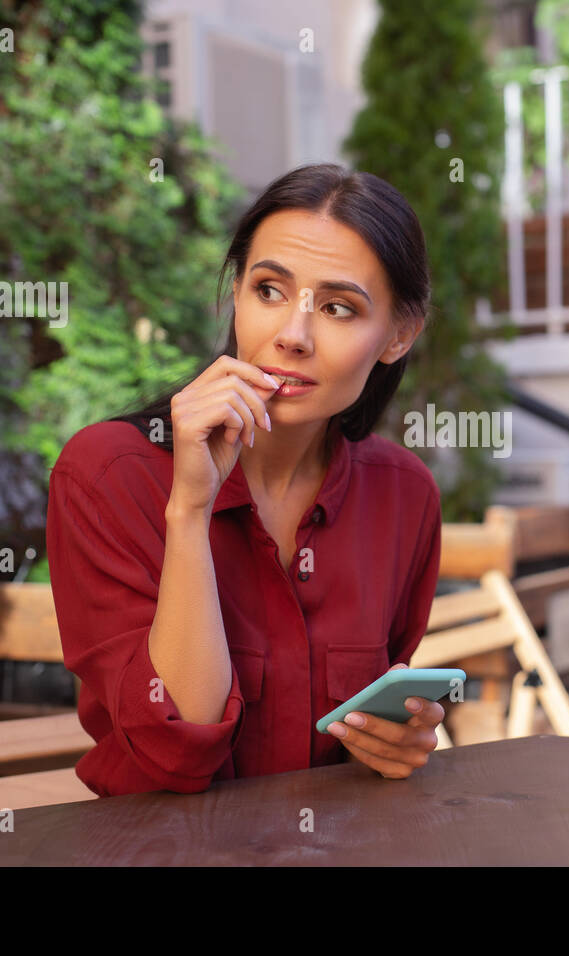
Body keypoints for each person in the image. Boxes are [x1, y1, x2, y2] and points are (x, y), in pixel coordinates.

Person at [46, 163, 445, 797]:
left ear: (398, 335)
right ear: (236, 293)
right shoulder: (107, 475)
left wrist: (391, 743)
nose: (292, 335)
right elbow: (179, 748)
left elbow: (370, 730)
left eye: (339, 308)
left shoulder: (403, 494)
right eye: (269, 291)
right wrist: (190, 509)